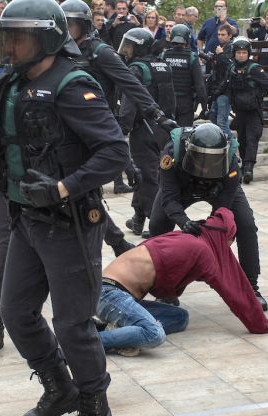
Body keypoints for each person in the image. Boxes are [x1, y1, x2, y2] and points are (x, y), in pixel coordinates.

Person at [0, 0, 129, 412]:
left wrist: (61, 188)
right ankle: (60, 388)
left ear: (46, 39)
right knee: (15, 312)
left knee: (73, 325)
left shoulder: (72, 84)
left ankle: (93, 399)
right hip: (25, 220)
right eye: (8, 37)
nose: (10, 46)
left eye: (19, 38)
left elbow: (114, 151)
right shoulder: (11, 83)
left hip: (68, 223)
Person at [62, 0, 177, 252]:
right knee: (78, 193)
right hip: (66, 129)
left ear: (82, 25)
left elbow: (130, 84)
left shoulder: (100, 52)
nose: (66, 30)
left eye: (70, 24)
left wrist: (156, 114)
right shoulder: (61, 52)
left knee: (84, 192)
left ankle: (118, 240)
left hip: (97, 127)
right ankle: (117, 241)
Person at [98, 206, 268, 356]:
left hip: (112, 294)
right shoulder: (201, 249)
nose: (228, 248)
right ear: (225, 236)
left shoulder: (189, 238)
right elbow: (231, 290)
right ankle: (93, 342)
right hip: (110, 294)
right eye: (230, 242)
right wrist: (262, 324)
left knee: (179, 317)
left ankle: (117, 330)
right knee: (154, 334)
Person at [148, 123, 268, 310]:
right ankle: (166, 291)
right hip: (184, 184)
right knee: (157, 225)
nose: (205, 168)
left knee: (246, 225)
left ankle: (251, 288)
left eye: (211, 162)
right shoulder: (172, 154)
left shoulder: (230, 162)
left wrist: (215, 232)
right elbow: (169, 199)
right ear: (189, 151)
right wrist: (184, 222)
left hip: (219, 187)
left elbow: (223, 209)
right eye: (200, 160)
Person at [117, 28, 177, 238]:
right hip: (163, 127)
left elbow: (130, 100)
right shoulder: (163, 65)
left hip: (143, 129)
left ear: (139, 47)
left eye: (129, 45)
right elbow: (171, 98)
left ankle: (157, 223)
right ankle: (137, 218)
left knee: (148, 177)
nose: (125, 49)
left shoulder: (136, 68)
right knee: (151, 174)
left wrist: (123, 127)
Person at [216, 37, 268, 184]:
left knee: (252, 138)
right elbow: (224, 85)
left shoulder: (255, 69)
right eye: (238, 52)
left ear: (248, 53)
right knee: (242, 139)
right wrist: (211, 99)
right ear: (234, 53)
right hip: (239, 111)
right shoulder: (232, 69)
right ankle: (244, 166)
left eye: (244, 52)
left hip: (254, 110)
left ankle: (249, 168)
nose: (241, 55)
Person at [161, 24, 208, 127]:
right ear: (187, 38)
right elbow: (199, 85)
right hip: (185, 103)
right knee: (183, 135)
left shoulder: (163, 55)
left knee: (165, 135)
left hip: (166, 101)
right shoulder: (191, 57)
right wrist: (204, 107)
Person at [207, 24, 235, 140]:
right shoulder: (220, 47)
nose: (220, 37)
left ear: (230, 36)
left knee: (222, 122)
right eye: (218, 34)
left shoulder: (232, 48)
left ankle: (232, 146)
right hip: (217, 88)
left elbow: (230, 66)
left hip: (225, 90)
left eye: (223, 34)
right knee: (213, 117)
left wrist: (220, 54)